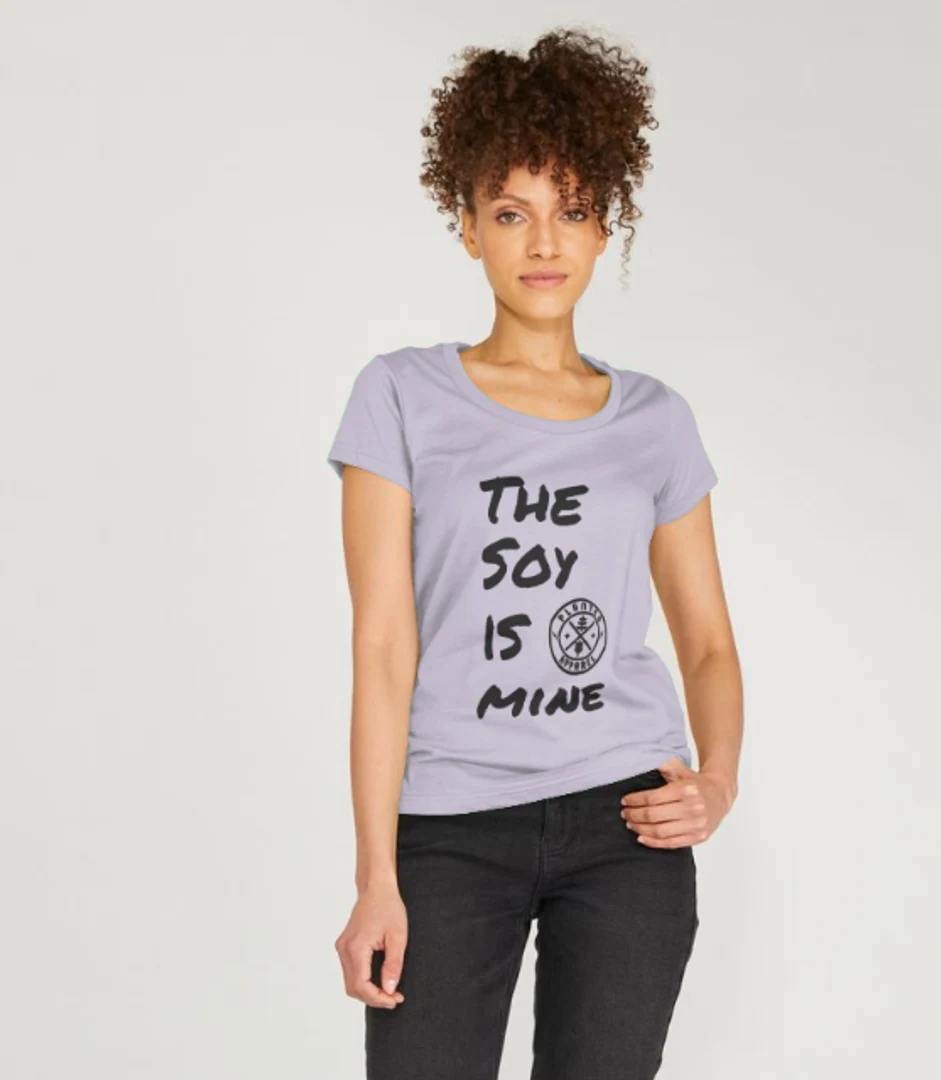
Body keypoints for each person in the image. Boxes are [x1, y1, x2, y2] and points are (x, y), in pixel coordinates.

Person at [327, 27, 743, 1080]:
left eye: (574, 210)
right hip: (450, 827)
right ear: (468, 225)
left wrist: (719, 779)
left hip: (625, 828)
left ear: (606, 228)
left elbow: (706, 642)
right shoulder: (400, 396)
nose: (544, 242)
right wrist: (376, 875)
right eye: (511, 212)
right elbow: (383, 646)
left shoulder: (656, 420)